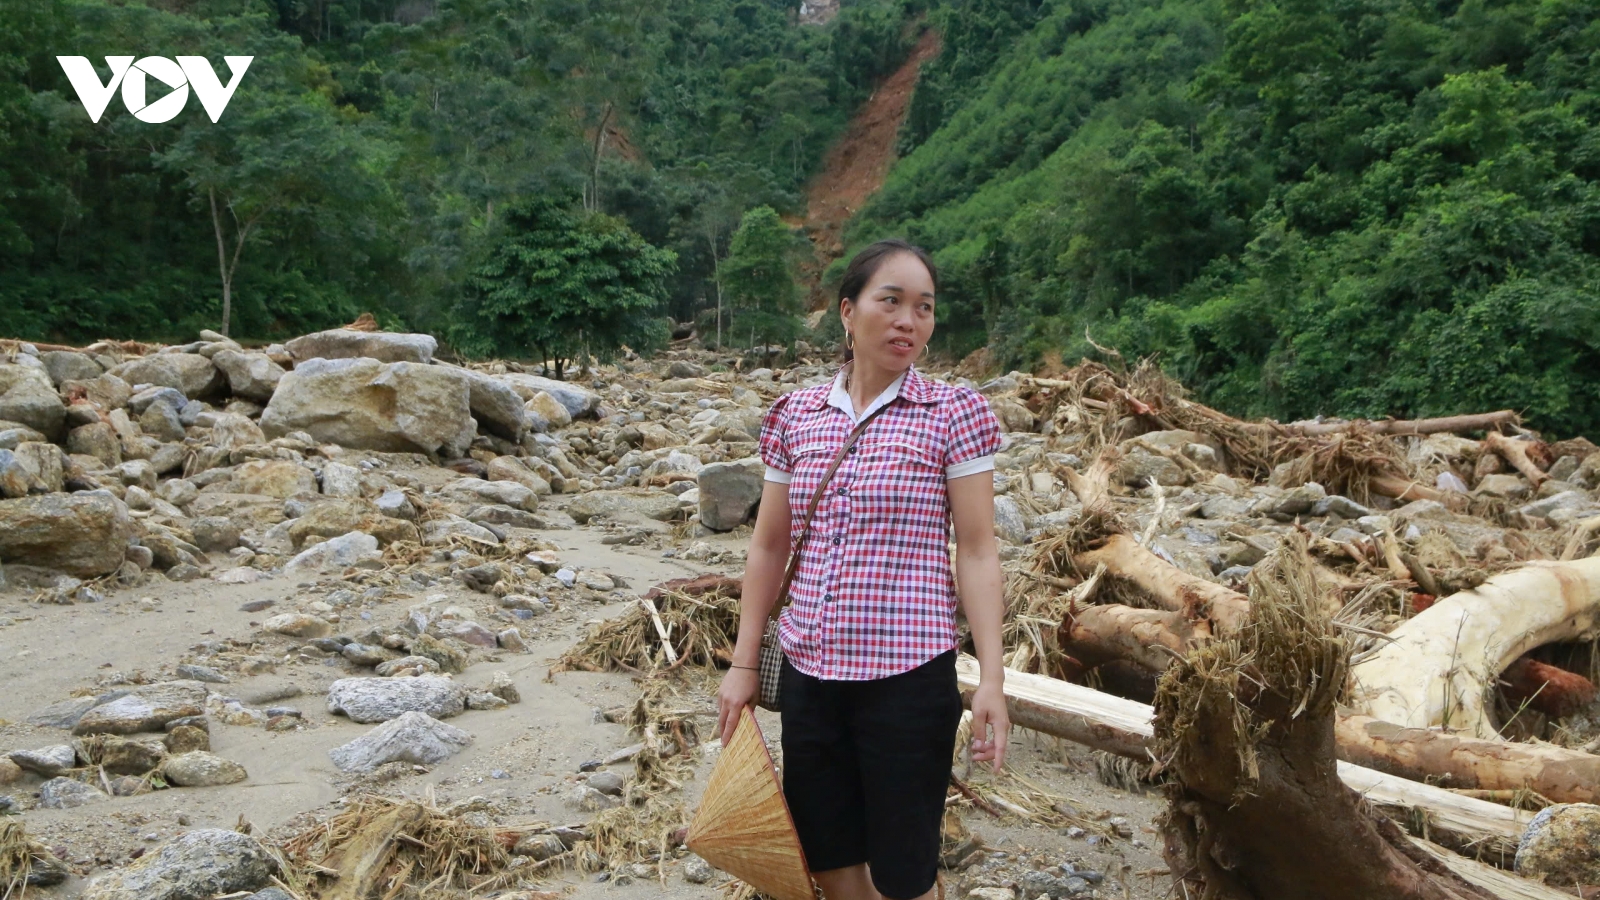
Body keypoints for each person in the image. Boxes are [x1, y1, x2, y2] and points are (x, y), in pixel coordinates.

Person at [716, 239, 1010, 900]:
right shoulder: (797, 415)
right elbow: (769, 546)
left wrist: (992, 678)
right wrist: (742, 664)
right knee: (827, 854)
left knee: (904, 872)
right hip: (810, 674)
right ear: (847, 312)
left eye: (924, 308)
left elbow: (977, 550)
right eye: (892, 301)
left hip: (907, 679)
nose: (909, 321)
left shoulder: (953, 414)